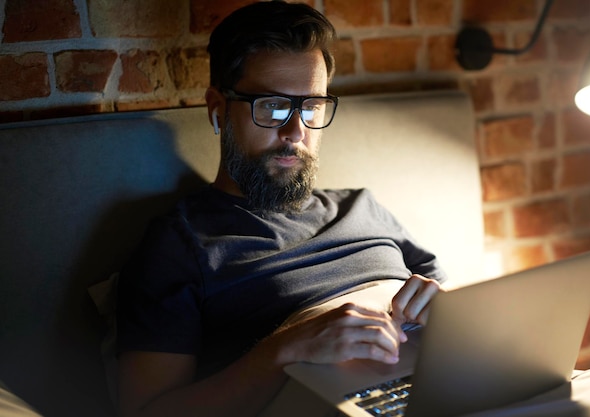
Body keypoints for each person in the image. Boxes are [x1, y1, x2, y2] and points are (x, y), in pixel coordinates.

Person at [115, 2, 445, 416]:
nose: (296, 132)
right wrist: (282, 350)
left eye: (311, 106)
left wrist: (446, 311)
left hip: (437, 391)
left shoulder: (362, 207)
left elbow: (455, 312)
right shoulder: (181, 246)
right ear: (218, 108)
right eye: (272, 106)